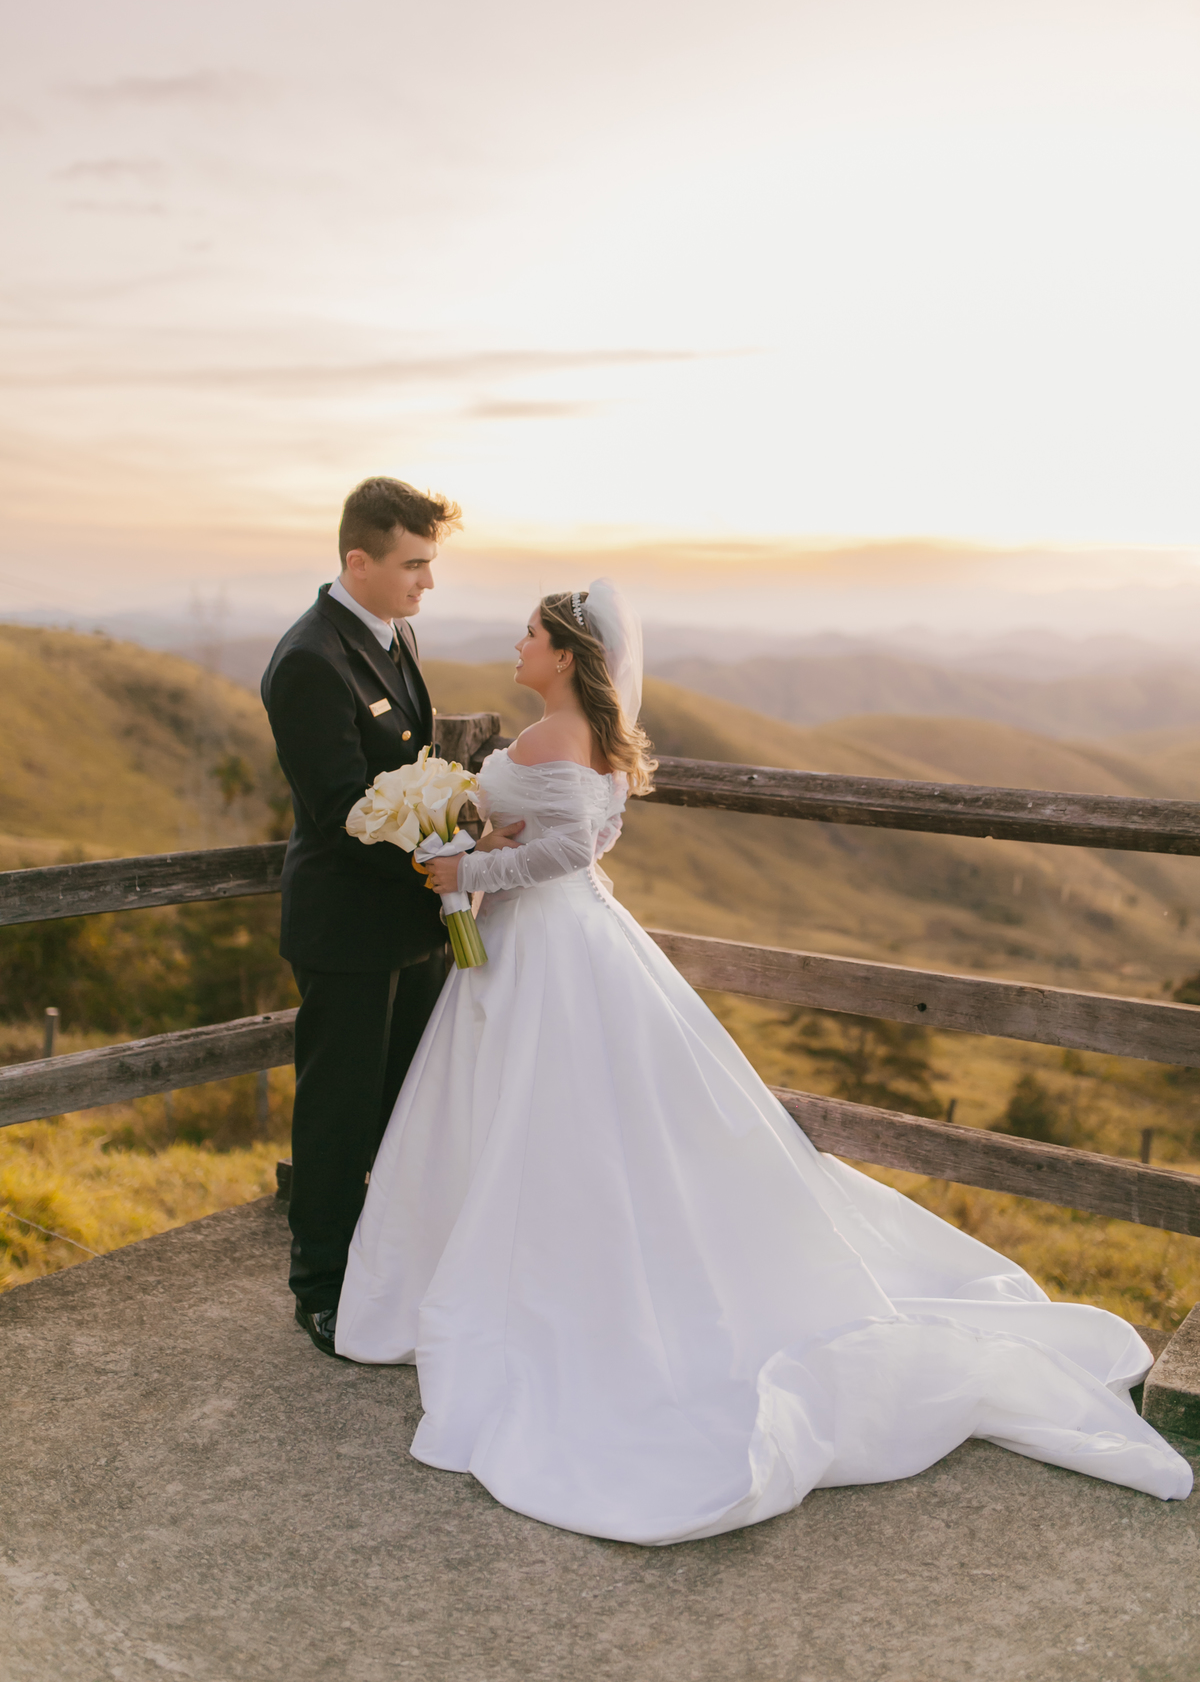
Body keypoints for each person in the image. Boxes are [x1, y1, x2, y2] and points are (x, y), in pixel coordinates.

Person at [334, 578, 1192, 1544]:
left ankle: (541, 1283)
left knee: (544, 1115)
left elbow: (569, 850)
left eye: (532, 633)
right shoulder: (590, 739)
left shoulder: (551, 738)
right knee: (570, 1118)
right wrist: (490, 839)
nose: (519, 643)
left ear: (566, 656)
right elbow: (593, 832)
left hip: (544, 944)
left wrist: (469, 867)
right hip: (569, 938)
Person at [261, 476, 522, 1357]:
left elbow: (409, 767)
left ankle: (391, 1269)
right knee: (339, 1114)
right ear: (358, 560)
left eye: (430, 564)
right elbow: (341, 808)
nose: (427, 583)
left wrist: (453, 838)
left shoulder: (394, 632)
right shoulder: (308, 660)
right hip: (347, 930)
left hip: (413, 922)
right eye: (414, 565)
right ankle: (322, 1289)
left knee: (410, 1105)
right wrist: (447, 854)